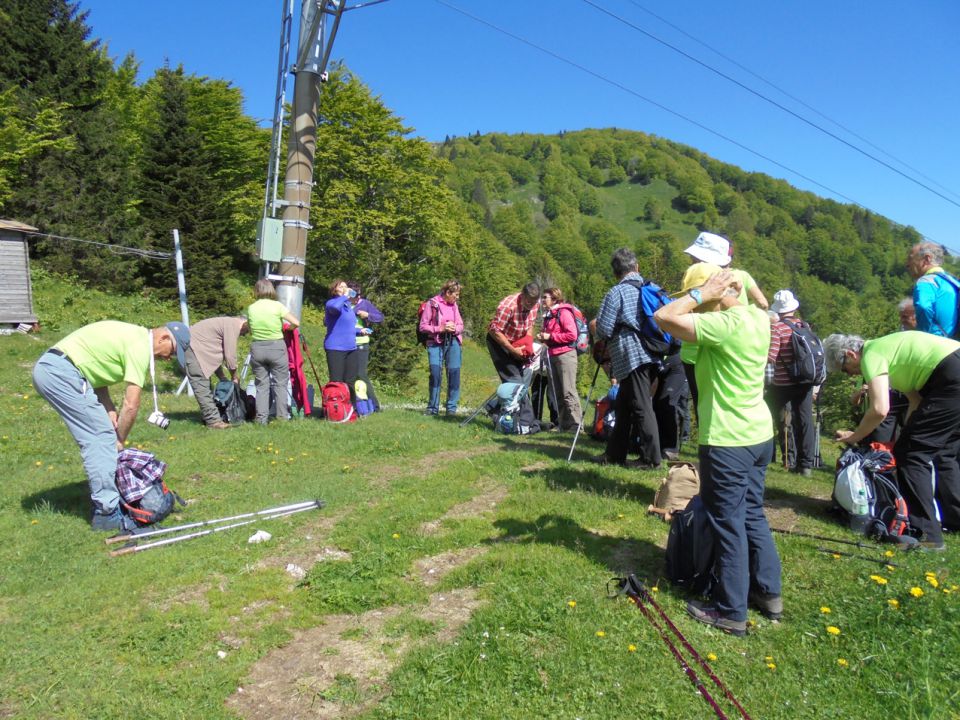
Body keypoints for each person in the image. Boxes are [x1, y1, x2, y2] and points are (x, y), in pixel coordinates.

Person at [655, 265, 781, 636]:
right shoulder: (759, 319)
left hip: (728, 440)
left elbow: (663, 316)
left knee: (728, 523)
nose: (697, 308)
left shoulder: (723, 326)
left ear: (721, 291)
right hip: (759, 433)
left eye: (705, 297)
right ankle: (769, 594)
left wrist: (702, 293)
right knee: (752, 514)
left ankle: (730, 611)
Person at [32, 320, 191, 531]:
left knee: (102, 434)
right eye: (172, 350)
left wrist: (108, 409)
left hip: (56, 369)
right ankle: (107, 514)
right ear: (163, 338)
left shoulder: (133, 335)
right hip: (61, 372)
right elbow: (132, 405)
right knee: (101, 438)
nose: (168, 357)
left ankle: (109, 499)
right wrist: (118, 440)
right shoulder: (140, 346)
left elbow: (96, 369)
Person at [825, 331, 960, 550]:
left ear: (850, 354)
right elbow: (915, 401)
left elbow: (879, 409)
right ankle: (955, 519)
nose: (849, 374)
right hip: (951, 370)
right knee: (944, 453)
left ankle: (928, 536)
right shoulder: (890, 352)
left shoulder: (871, 354)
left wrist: (854, 437)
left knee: (911, 456)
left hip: (950, 378)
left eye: (845, 368)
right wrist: (908, 433)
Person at [592, 248, 662, 468]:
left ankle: (651, 459)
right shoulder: (651, 288)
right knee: (623, 406)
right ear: (636, 267)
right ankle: (614, 454)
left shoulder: (617, 292)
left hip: (631, 355)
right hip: (652, 351)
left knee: (641, 406)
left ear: (616, 272)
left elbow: (603, 328)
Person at [765, 290, 817, 477]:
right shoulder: (804, 326)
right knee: (804, 421)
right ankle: (805, 466)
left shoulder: (777, 328)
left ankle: (765, 457)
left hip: (782, 384)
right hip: (805, 381)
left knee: (767, 416)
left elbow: (771, 356)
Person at [487, 282, 540, 429]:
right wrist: (512, 350)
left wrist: (527, 345)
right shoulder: (508, 306)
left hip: (517, 342)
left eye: (534, 302)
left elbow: (530, 326)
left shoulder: (535, 305)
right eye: (528, 301)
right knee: (516, 382)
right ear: (522, 296)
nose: (531, 305)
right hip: (500, 343)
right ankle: (527, 422)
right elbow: (494, 331)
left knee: (522, 380)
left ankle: (494, 408)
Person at [247, 279, 300, 424]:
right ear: (271, 289)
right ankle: (282, 418)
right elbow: (296, 322)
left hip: (257, 347)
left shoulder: (251, 308)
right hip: (276, 347)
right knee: (280, 384)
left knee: (261, 385)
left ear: (256, 290)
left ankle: (261, 419)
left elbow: (250, 329)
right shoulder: (277, 306)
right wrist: (287, 328)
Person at [184, 316, 249, 428]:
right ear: (243, 325)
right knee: (202, 387)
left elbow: (213, 354)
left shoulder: (225, 322)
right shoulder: (233, 325)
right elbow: (230, 355)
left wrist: (222, 377)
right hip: (194, 351)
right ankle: (213, 421)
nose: (242, 335)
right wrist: (234, 376)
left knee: (205, 388)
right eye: (244, 333)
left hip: (198, 350)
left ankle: (210, 417)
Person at [536, 287, 582, 431]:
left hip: (566, 355)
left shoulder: (564, 312)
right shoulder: (549, 315)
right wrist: (544, 337)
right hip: (553, 354)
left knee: (568, 390)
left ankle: (577, 425)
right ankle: (564, 424)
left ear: (554, 299)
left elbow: (572, 335)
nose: (542, 300)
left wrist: (550, 337)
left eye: (545, 297)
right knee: (557, 392)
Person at [420, 279, 464, 416]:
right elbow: (423, 326)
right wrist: (440, 328)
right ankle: (433, 407)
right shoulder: (432, 304)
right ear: (447, 292)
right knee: (435, 374)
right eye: (455, 295)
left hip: (453, 342)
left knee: (454, 374)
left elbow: (461, 325)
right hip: (435, 343)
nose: (457, 298)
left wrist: (454, 328)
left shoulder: (454, 306)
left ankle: (451, 408)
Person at [907, 242, 958, 338]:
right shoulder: (954, 282)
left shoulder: (926, 280)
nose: (907, 264)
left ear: (927, 259)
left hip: (936, 345)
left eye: (910, 258)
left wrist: (923, 336)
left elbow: (923, 306)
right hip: (955, 346)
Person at [347, 281, 384, 412]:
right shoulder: (343, 304)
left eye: (359, 295)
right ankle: (351, 404)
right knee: (347, 376)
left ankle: (375, 405)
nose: (357, 298)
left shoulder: (365, 304)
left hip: (361, 343)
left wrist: (368, 315)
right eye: (354, 295)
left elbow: (380, 317)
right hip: (345, 344)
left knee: (360, 374)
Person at [324, 279, 359, 396]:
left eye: (346, 286)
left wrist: (360, 331)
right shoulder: (331, 303)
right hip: (336, 348)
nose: (345, 288)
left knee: (350, 381)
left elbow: (347, 326)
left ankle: (350, 409)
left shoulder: (347, 306)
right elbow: (335, 309)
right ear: (334, 290)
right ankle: (336, 409)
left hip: (351, 348)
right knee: (337, 381)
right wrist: (345, 296)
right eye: (341, 287)